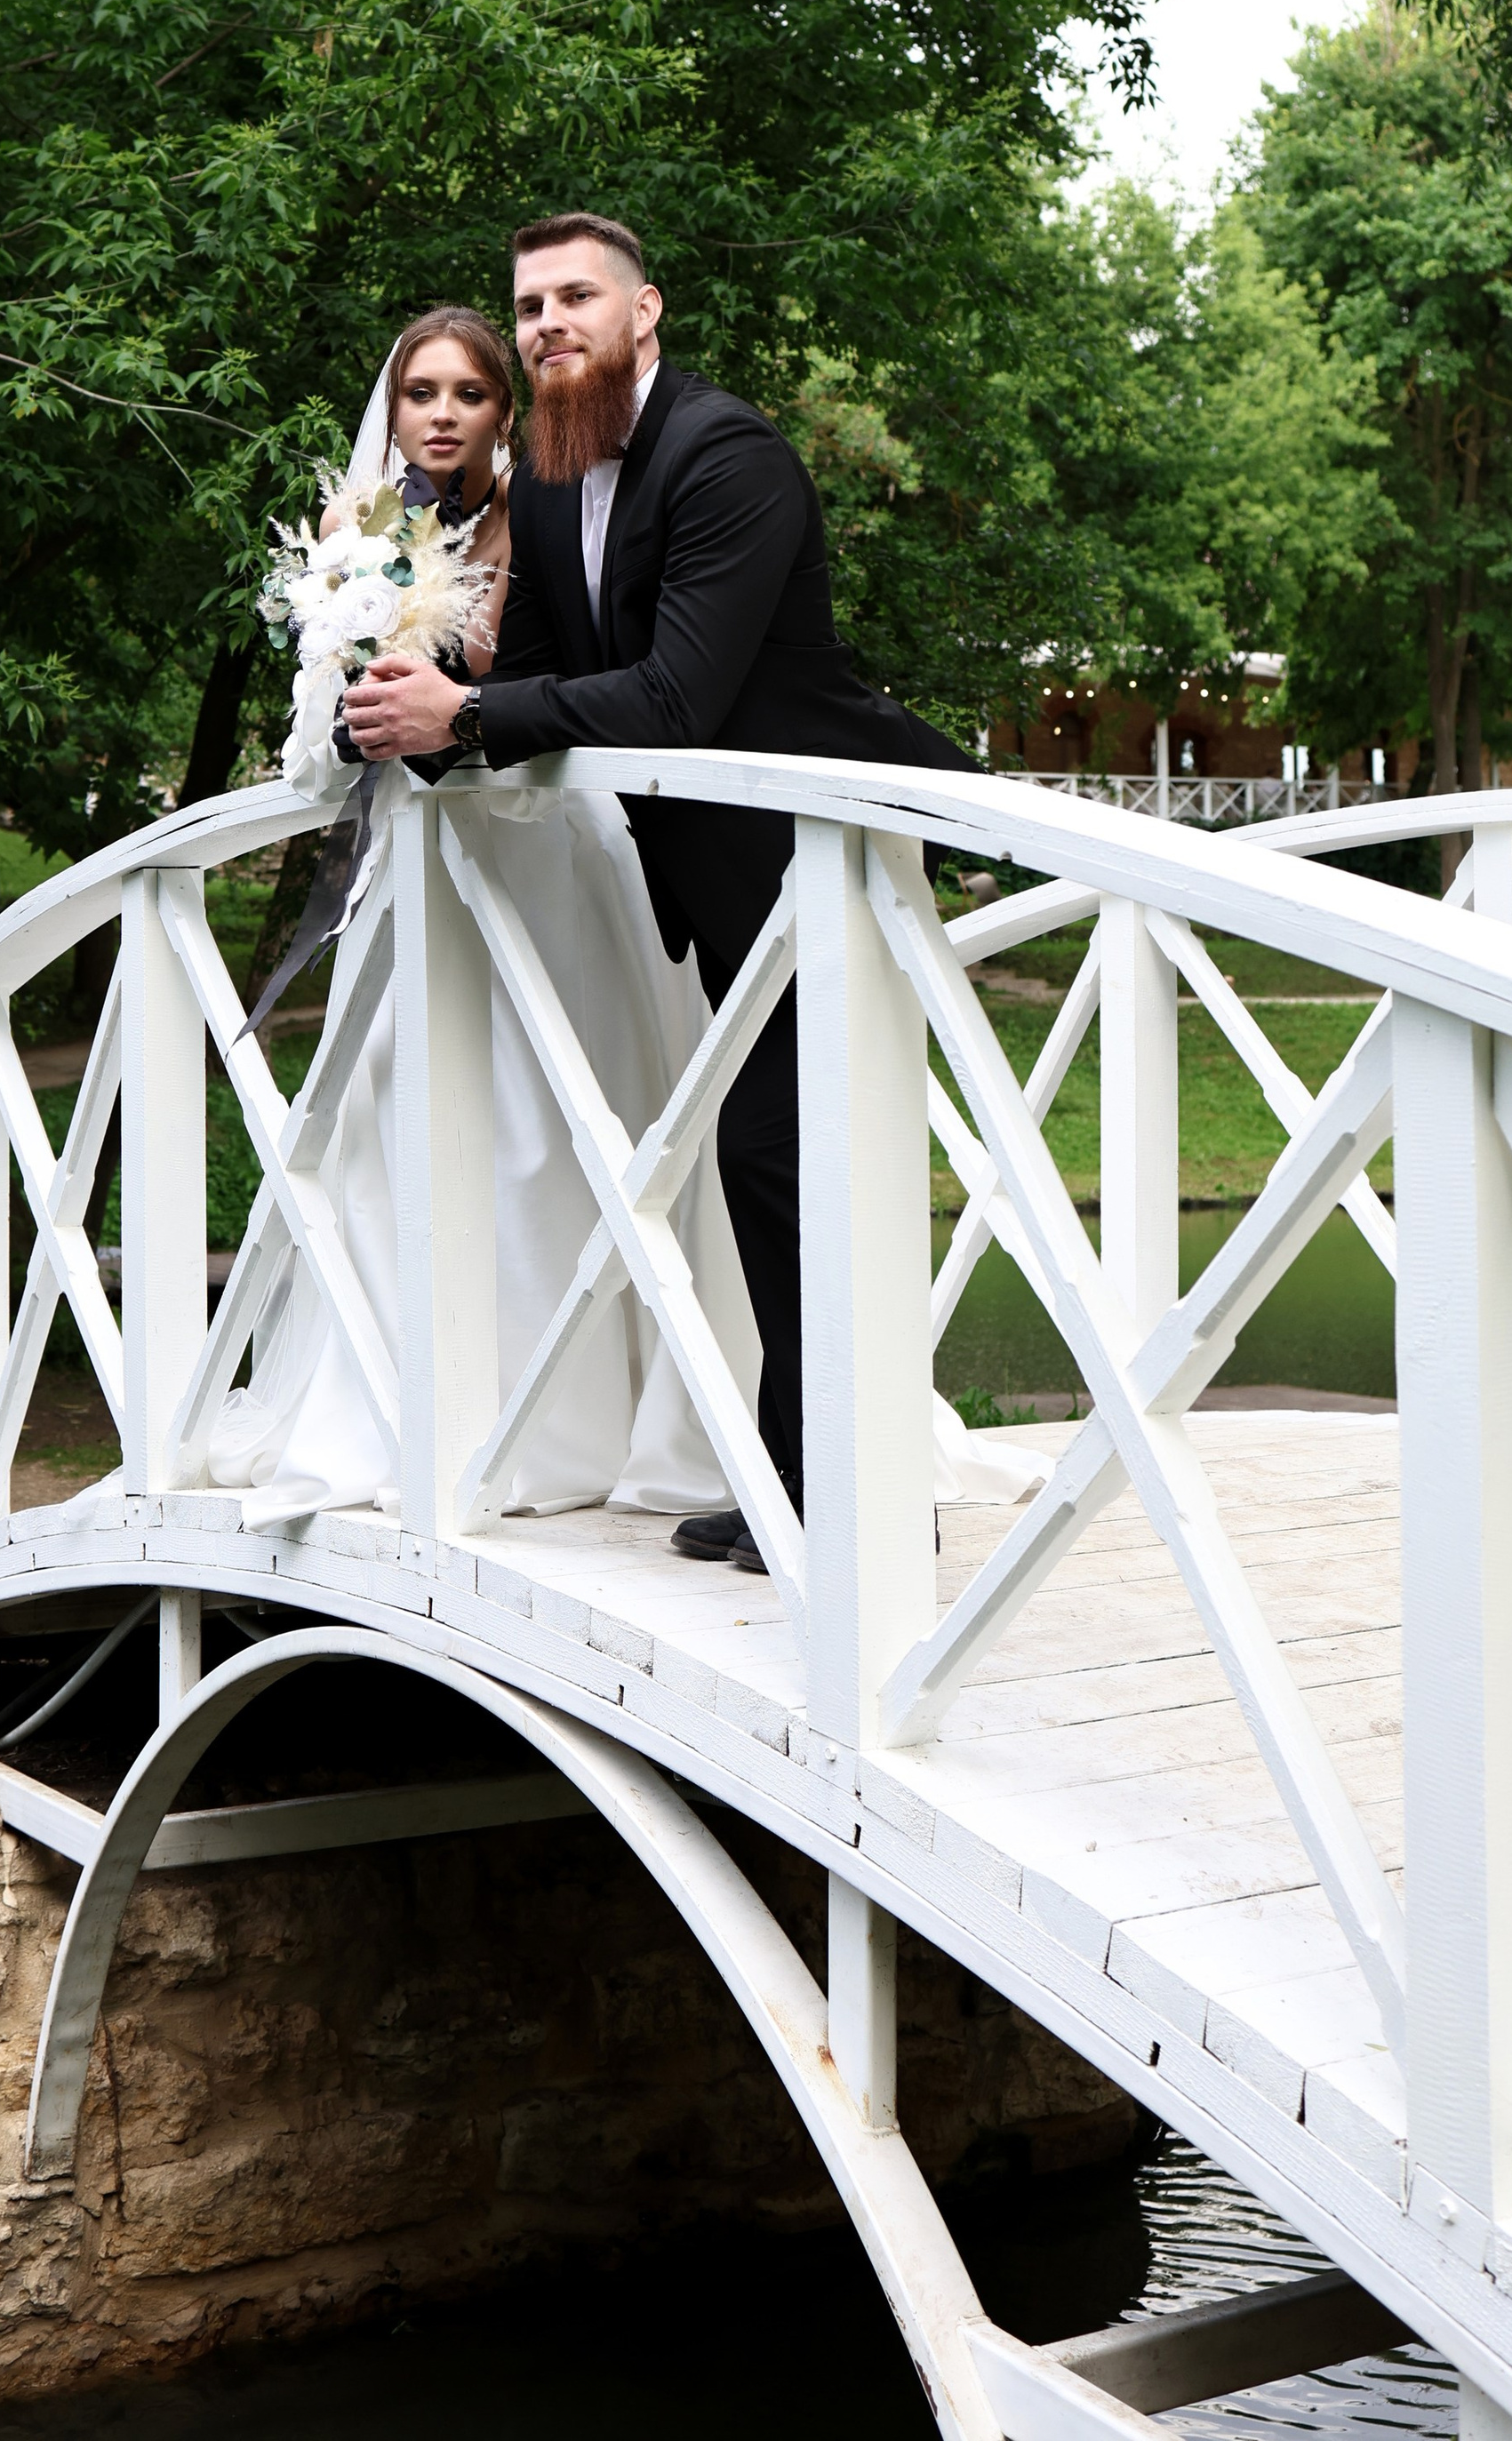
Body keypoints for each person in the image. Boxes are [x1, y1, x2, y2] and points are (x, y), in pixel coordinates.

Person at [344, 215, 1029, 1571]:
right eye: (529, 304)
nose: (546, 324)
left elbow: (678, 696)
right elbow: (533, 686)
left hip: (825, 856)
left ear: (643, 312)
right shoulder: (541, 484)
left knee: (793, 1160)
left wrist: (467, 709)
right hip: (718, 875)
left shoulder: (731, 458)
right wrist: (401, 684)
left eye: (576, 298)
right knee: (765, 1164)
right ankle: (800, 1477)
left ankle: (850, 1496)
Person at [209, 308, 759, 1527]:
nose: (443, 411)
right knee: (398, 1118)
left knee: (562, 1130)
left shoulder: (549, 522)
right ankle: (418, 1409)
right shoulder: (357, 542)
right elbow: (322, 744)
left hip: (543, 863)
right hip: (419, 873)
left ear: (506, 414)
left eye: (469, 391)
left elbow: (591, 680)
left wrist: (464, 711)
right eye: (421, 392)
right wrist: (349, 688)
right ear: (394, 409)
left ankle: (578, 1421)